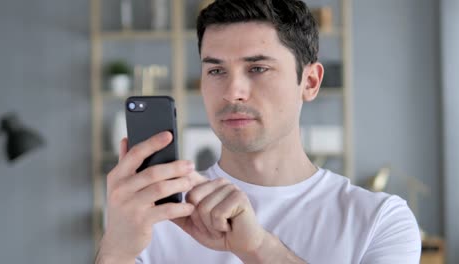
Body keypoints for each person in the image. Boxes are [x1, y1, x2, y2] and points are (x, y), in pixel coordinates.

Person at [95, 0, 421, 263]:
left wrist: (258, 248)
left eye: (258, 68)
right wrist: (115, 251)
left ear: (310, 82)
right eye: (216, 70)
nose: (233, 91)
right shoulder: (158, 219)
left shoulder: (379, 221)